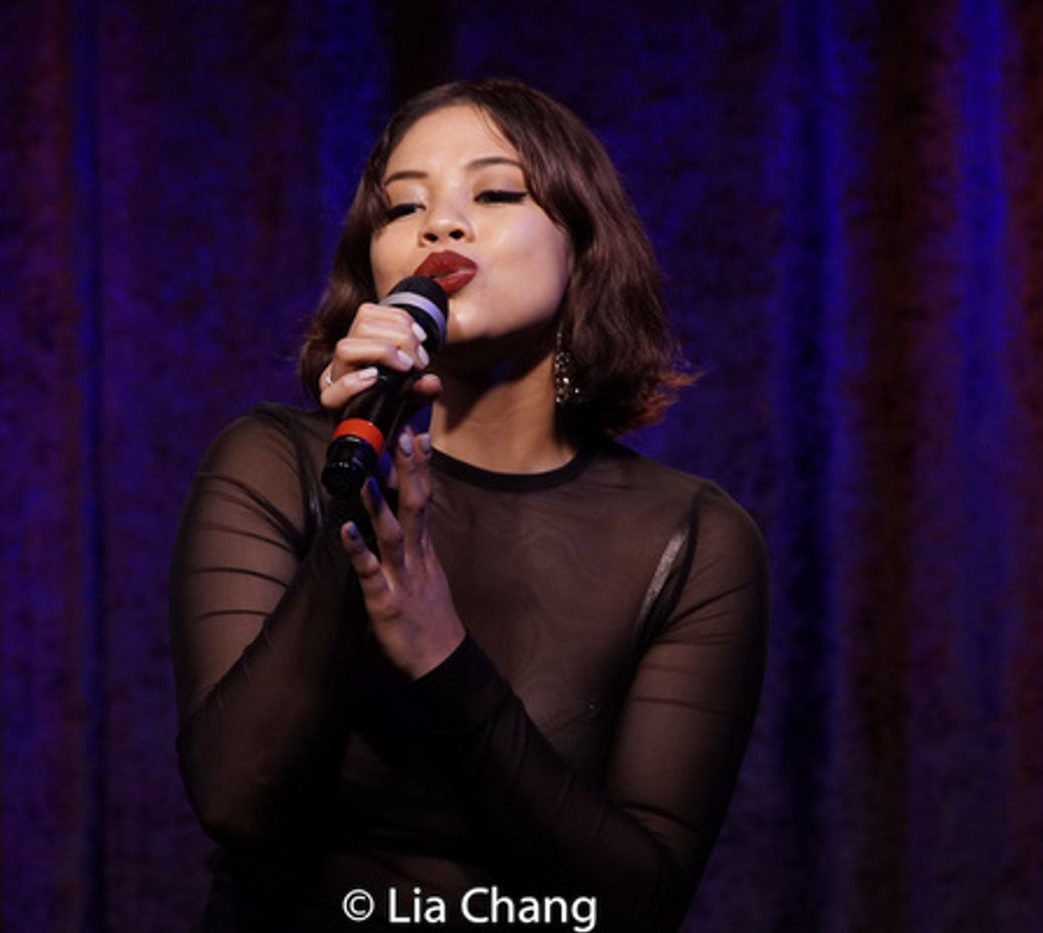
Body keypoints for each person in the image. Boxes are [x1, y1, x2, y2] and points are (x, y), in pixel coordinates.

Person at [169, 78, 768, 932]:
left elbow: (641, 898)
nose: (439, 225)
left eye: (493, 192)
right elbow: (236, 797)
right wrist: (357, 500)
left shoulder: (691, 537)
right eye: (401, 206)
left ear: (582, 248)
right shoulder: (275, 461)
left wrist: (444, 657)